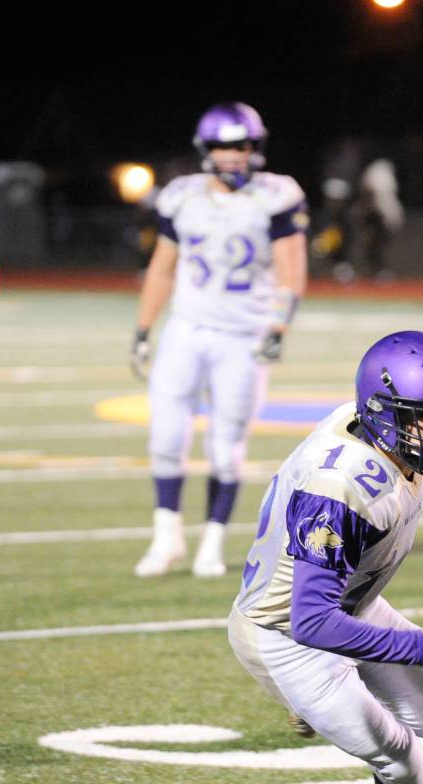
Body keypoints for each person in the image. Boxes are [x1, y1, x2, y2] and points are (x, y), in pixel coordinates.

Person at [227, 331, 423, 784]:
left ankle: (322, 701)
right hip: (285, 633)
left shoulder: (384, 437)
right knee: (400, 755)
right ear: (384, 415)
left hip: (349, 604)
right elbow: (309, 621)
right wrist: (420, 646)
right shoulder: (345, 484)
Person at [129, 102, 309, 579]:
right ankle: (166, 538)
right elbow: (161, 270)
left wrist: (277, 327)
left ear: (256, 147)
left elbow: (292, 274)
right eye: (223, 146)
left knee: (225, 446)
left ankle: (211, 541)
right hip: (186, 329)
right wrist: (144, 331)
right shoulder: (182, 197)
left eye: (242, 145)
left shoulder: (275, 196)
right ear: (205, 150)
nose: (234, 155)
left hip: (243, 335)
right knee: (166, 436)